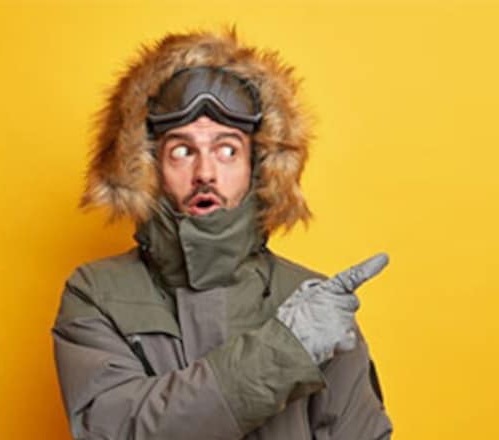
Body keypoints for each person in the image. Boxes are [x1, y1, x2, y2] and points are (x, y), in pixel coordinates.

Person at [52, 28, 392, 440]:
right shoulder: (97, 293)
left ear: (258, 166)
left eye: (227, 150)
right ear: (147, 167)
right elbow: (115, 431)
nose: (205, 173)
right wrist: (286, 350)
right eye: (182, 151)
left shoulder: (313, 304)